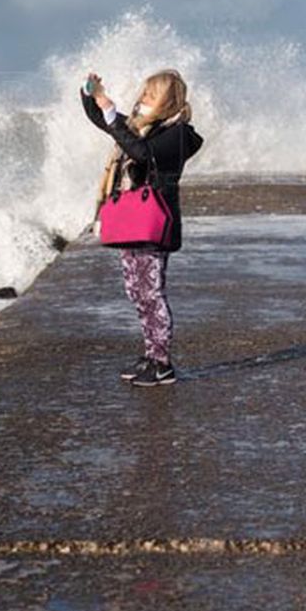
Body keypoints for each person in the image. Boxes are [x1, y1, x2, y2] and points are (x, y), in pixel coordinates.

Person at [80, 68, 204, 387]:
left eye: (150, 94)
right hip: (133, 223)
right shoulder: (144, 127)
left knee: (151, 293)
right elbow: (105, 122)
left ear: (167, 100)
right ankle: (151, 355)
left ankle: (162, 363)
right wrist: (91, 94)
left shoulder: (177, 134)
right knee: (136, 292)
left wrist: (110, 113)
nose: (142, 98)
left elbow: (141, 153)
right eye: (144, 92)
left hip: (154, 224)